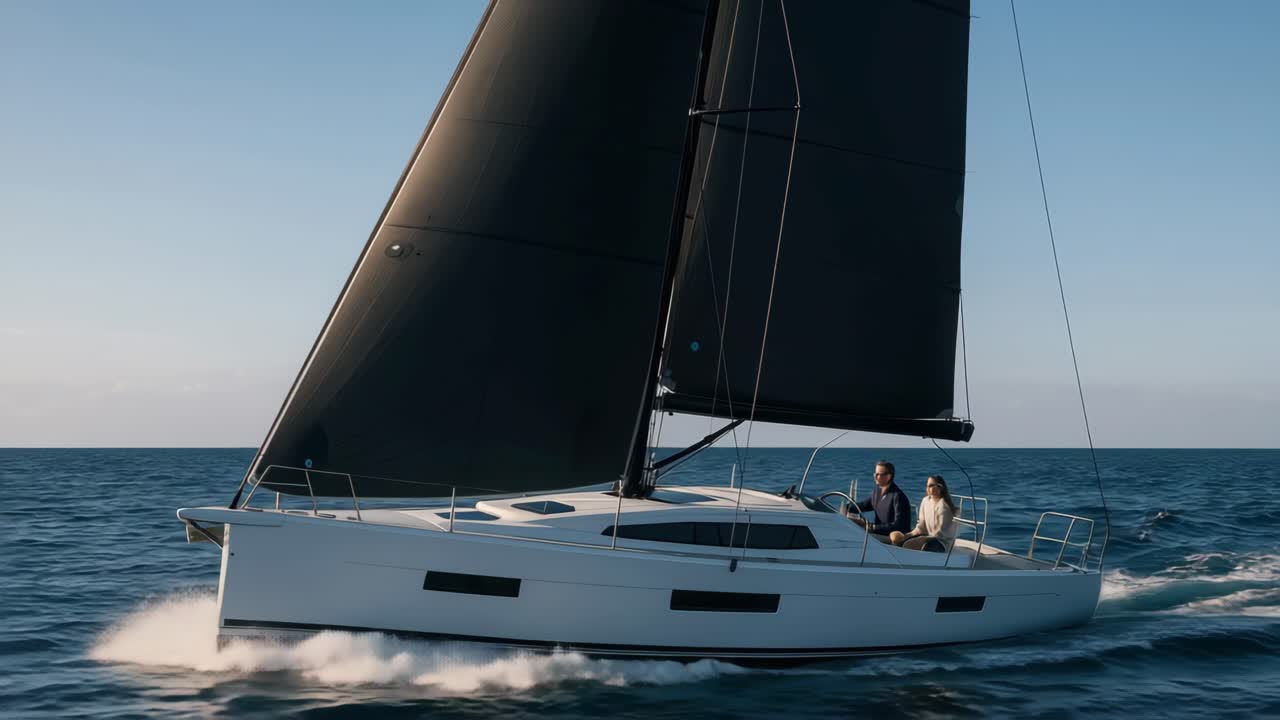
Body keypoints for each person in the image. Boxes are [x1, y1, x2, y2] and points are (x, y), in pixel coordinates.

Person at [890, 475, 958, 552]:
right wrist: (906, 536)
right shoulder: (925, 501)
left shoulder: (944, 506)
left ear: (940, 487)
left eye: (931, 485)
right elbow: (921, 527)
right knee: (900, 542)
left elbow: (941, 535)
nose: (928, 488)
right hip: (928, 537)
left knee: (927, 547)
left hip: (942, 543)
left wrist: (921, 540)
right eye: (927, 486)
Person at [846, 461, 911, 539]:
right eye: (875, 474)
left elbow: (899, 526)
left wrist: (872, 527)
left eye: (878, 474)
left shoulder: (898, 496)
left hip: (891, 539)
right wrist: (848, 507)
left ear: (889, 476)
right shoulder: (877, 490)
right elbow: (868, 504)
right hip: (877, 534)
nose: (875, 477)